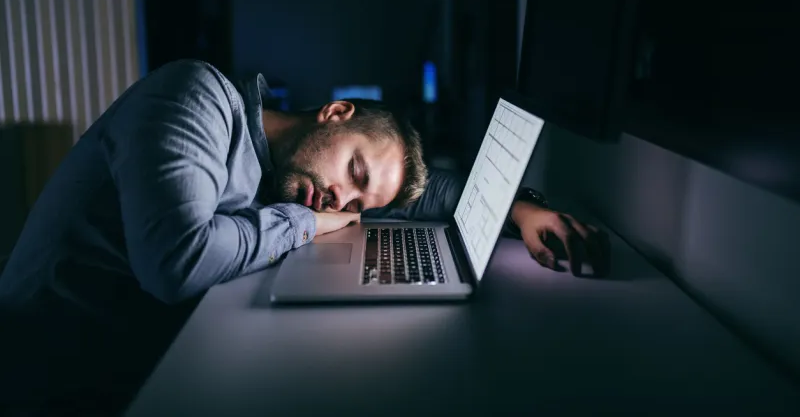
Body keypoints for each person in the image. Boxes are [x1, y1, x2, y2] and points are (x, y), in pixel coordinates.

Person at [0, 59, 609, 415]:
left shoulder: (293, 178)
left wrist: (523, 210)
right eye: (355, 172)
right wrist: (308, 225)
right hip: (52, 379)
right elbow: (174, 263)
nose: (342, 201)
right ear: (337, 113)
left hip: (140, 369)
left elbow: (435, 196)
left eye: (357, 202)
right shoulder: (196, 98)